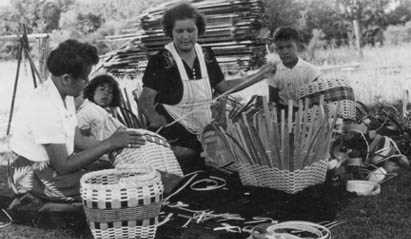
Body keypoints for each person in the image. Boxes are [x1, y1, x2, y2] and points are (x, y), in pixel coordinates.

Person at [8, 39, 145, 207]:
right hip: (33, 175)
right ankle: (44, 202)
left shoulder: (65, 96)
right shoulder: (44, 106)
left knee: (110, 169)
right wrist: (109, 144)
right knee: (115, 183)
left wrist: (116, 147)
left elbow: (78, 140)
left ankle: (53, 203)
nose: (88, 82)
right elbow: (63, 166)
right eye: (85, 78)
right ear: (66, 78)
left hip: (53, 166)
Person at [138, 2, 272, 171]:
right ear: (170, 32)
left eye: (190, 30)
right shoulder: (161, 60)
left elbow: (224, 87)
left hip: (204, 126)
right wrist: (154, 117)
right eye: (179, 31)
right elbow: (145, 99)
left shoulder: (206, 55)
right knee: (189, 157)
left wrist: (259, 75)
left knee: (233, 153)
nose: (185, 36)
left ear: (198, 30)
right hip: (173, 131)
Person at [267, 26, 321, 106]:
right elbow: (273, 101)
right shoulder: (274, 72)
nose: (285, 52)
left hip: (307, 113)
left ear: (298, 46)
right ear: (276, 49)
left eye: (289, 46)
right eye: (280, 48)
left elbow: (316, 101)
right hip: (283, 114)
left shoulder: (310, 71)